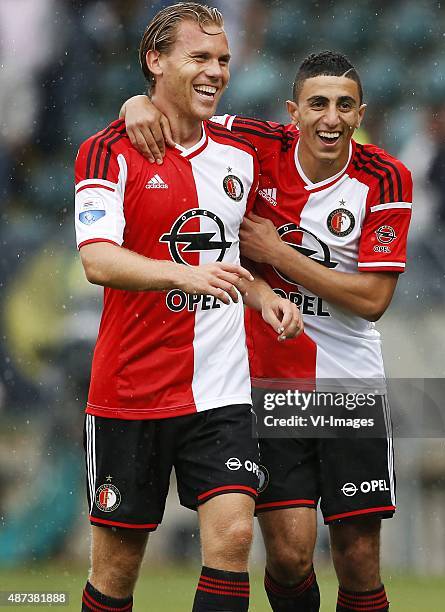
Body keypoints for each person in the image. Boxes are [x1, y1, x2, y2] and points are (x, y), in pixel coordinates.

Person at [123, 50, 413, 612]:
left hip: (349, 385)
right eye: (318, 104)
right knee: (289, 554)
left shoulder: (385, 176)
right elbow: (177, 110)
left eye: (344, 105)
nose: (330, 117)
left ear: (360, 114)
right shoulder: (257, 142)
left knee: (356, 556)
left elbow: (374, 299)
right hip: (270, 382)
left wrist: (280, 254)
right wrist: (134, 102)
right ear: (293, 111)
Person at [74, 4, 302, 612]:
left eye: (223, 60)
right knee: (117, 572)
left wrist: (265, 294)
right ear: (155, 61)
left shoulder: (241, 149)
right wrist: (187, 275)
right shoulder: (106, 152)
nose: (216, 71)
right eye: (199, 58)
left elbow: (231, 262)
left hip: (219, 393)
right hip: (130, 390)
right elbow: (98, 259)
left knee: (232, 537)